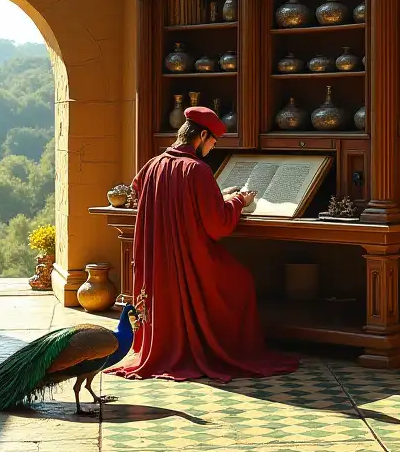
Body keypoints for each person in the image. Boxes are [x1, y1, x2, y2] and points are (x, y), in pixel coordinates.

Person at [106, 106, 299, 381]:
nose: (213, 147)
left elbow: (152, 195)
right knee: (240, 281)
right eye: (213, 142)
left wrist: (216, 195)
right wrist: (237, 201)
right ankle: (225, 348)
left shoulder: (153, 164)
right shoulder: (197, 169)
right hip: (189, 259)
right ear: (203, 134)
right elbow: (217, 225)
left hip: (159, 262)